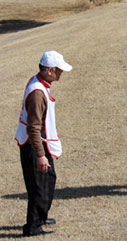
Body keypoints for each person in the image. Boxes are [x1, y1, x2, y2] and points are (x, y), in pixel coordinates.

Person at [15, 51, 72, 237]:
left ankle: (41, 216)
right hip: (34, 145)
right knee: (38, 186)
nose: (61, 73)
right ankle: (33, 227)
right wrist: (40, 155)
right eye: (58, 70)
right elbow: (33, 128)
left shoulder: (40, 82)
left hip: (39, 142)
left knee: (48, 180)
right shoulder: (38, 93)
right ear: (49, 70)